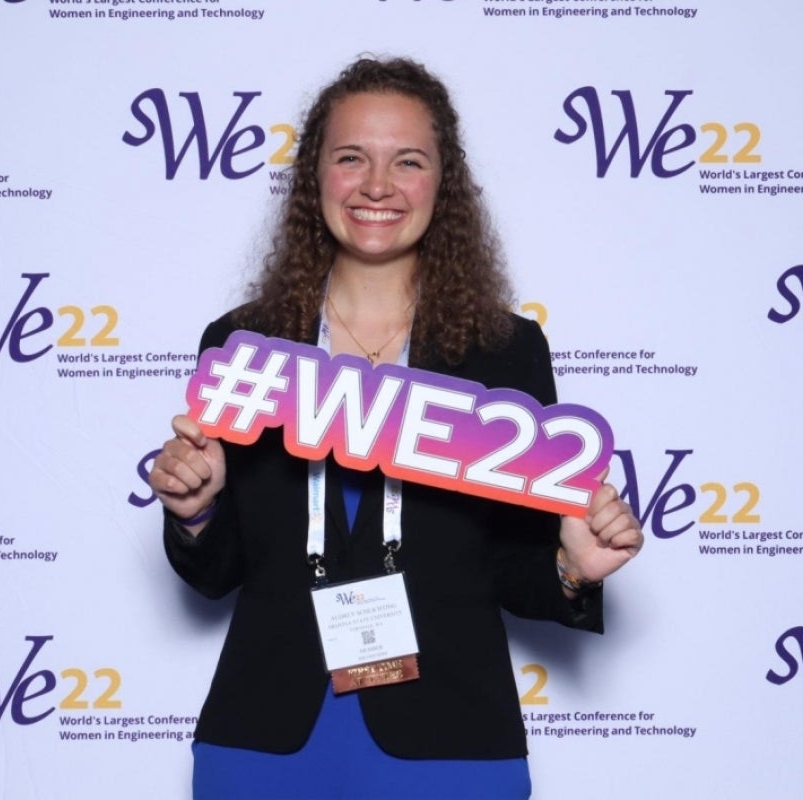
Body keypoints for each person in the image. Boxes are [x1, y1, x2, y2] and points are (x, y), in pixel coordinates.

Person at [150, 56, 644, 799]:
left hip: (449, 742)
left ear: (442, 185)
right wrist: (196, 512)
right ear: (314, 176)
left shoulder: (506, 353)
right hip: (265, 742)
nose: (376, 185)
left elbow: (514, 568)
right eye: (351, 158)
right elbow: (217, 574)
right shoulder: (244, 345)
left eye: (407, 161)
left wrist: (572, 568)